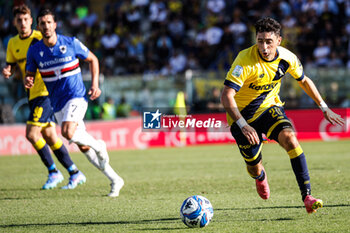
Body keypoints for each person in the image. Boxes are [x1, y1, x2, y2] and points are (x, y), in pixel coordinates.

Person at [221, 17, 345, 214]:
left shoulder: (287, 58)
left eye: (268, 41)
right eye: (260, 40)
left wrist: (324, 107)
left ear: (279, 40)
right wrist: (243, 124)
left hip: (269, 108)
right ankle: (260, 176)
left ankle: (307, 196)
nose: (264, 46)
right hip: (241, 117)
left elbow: (304, 81)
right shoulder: (244, 60)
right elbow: (226, 95)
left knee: (290, 139)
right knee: (254, 166)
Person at [24, 9, 124, 197]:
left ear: (55, 24)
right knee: (83, 146)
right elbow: (29, 75)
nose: (46, 26)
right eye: (42, 23)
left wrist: (95, 85)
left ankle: (100, 146)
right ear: (38, 26)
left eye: (48, 22)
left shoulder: (70, 43)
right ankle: (115, 179)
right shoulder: (35, 51)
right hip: (57, 103)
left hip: (76, 96)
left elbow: (93, 59)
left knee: (67, 132)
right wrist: (28, 80)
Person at [2, 4, 84, 190]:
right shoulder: (12, 43)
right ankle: (74, 172)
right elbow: (12, 66)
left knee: (31, 134)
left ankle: (53, 171)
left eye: (26, 19)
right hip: (32, 94)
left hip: (46, 93)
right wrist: (9, 70)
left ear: (32, 21)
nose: (23, 23)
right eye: (19, 20)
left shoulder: (41, 37)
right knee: (50, 137)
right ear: (14, 23)